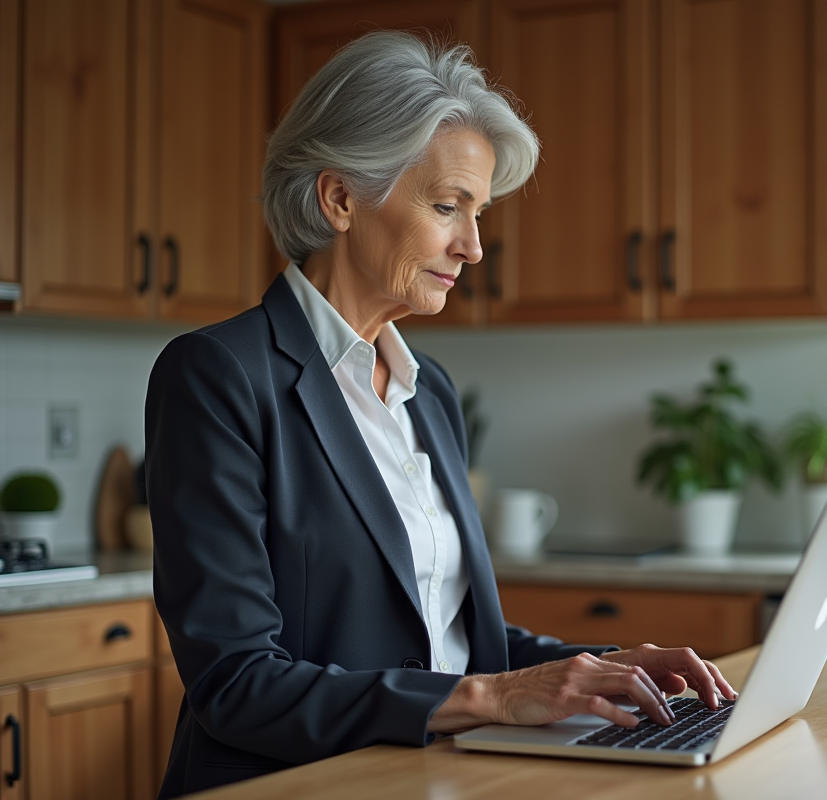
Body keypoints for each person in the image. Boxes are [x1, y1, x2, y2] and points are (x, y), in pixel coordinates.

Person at [146, 30, 735, 798]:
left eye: (479, 212)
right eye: (448, 206)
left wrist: (606, 667)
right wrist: (492, 699)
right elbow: (236, 683)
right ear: (340, 198)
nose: (476, 247)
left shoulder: (431, 390)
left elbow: (449, 641)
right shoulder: (218, 376)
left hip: (431, 775)